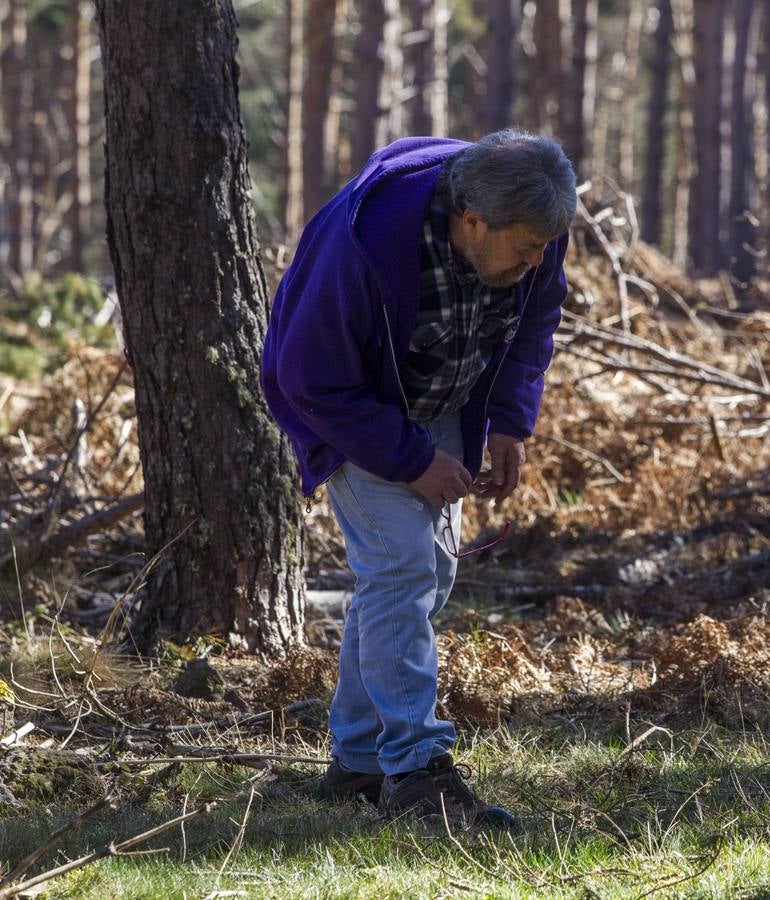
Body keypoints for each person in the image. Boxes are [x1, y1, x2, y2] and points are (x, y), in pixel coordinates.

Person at [262, 130, 575, 827]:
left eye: (543, 247)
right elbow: (311, 378)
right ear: (471, 222)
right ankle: (415, 772)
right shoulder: (368, 243)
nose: (536, 259)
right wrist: (412, 461)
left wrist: (506, 423)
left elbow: (533, 328)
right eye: (523, 246)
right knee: (402, 571)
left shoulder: (535, 219)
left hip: (446, 399)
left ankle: (357, 763)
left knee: (419, 575)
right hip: (352, 406)